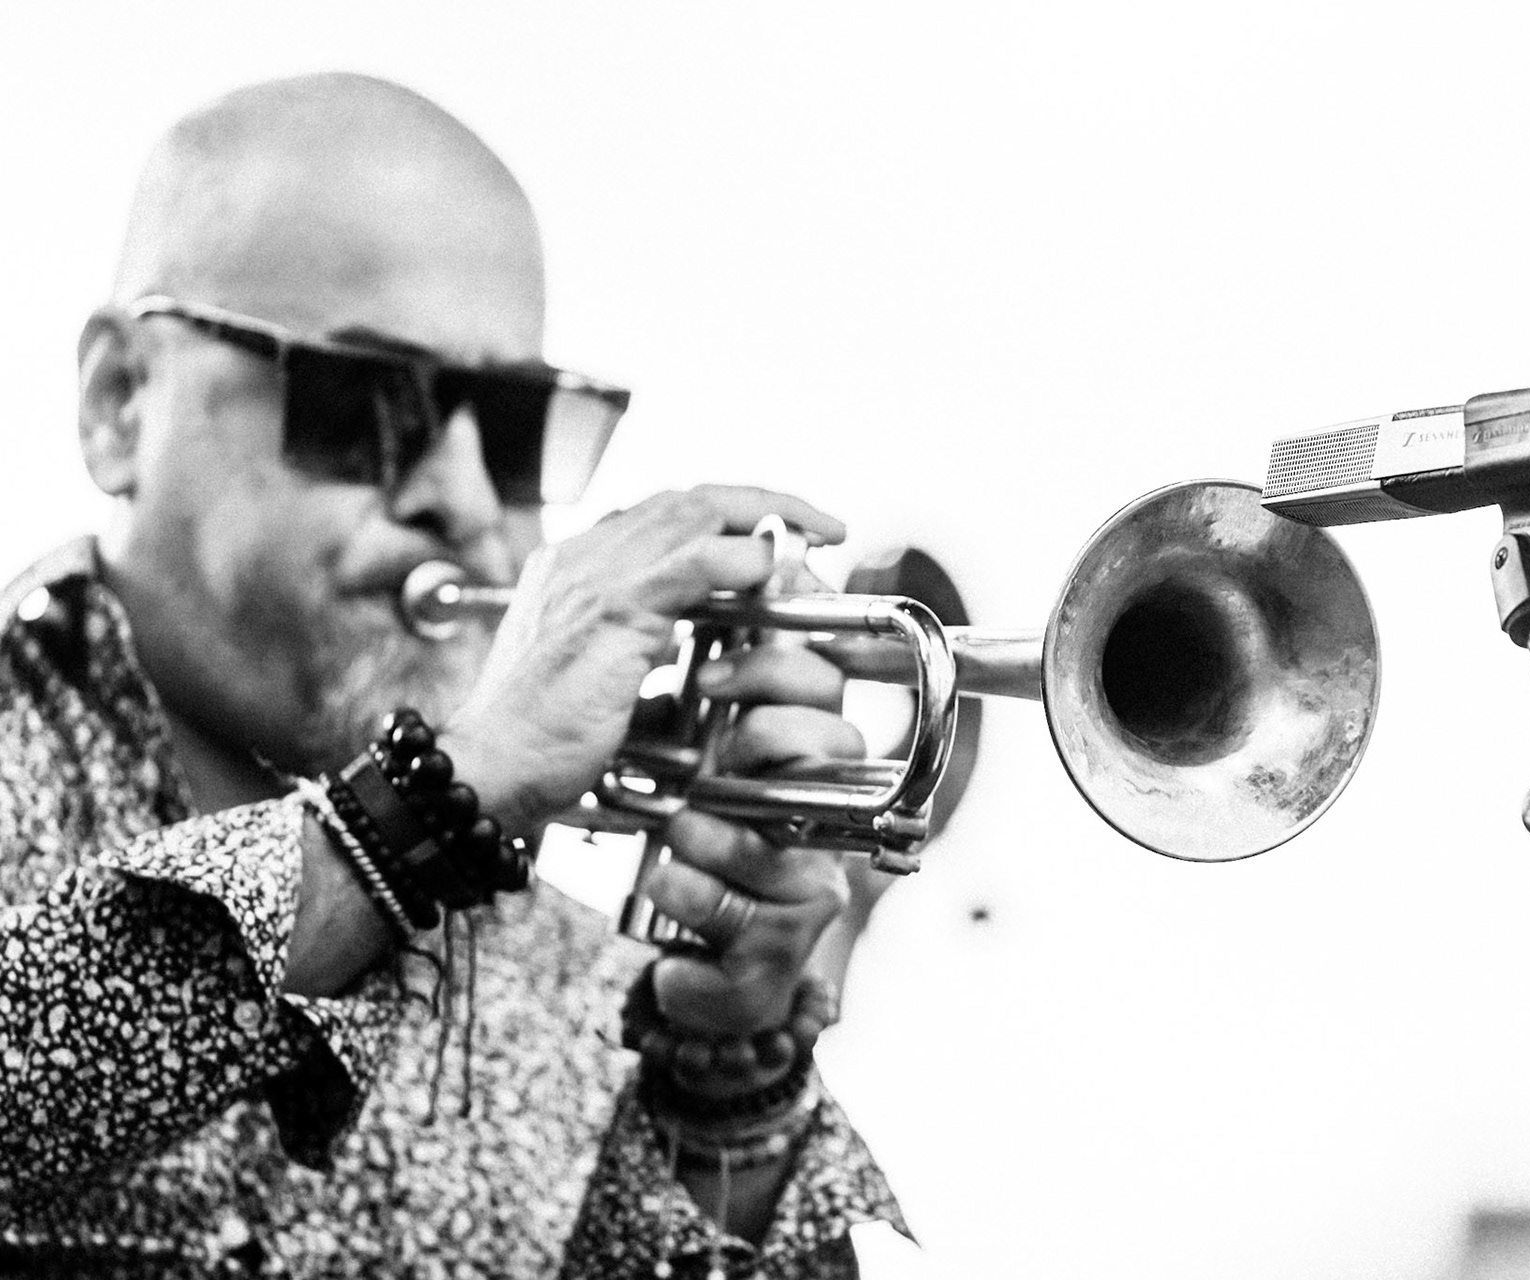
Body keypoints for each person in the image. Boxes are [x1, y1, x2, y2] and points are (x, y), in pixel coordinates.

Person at [0, 72, 904, 1277]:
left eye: (519, 424)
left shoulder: (570, 967)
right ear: (122, 401)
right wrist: (422, 812)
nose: (467, 501)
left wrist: (723, 1093)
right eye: (373, 399)